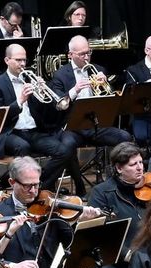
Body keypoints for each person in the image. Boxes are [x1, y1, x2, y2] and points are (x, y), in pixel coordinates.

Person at [0, 156, 101, 268]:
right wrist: (12, 266)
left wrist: (78, 220)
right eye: (28, 186)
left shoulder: (51, 208)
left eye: (36, 184)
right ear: (12, 182)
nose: (34, 191)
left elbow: (71, 241)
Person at [49, 36, 133, 192]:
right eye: (82, 54)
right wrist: (75, 90)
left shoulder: (98, 69)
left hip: (96, 124)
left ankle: (116, 182)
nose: (86, 57)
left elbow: (109, 99)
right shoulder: (60, 75)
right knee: (67, 146)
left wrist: (106, 83)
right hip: (72, 127)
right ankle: (80, 188)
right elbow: (58, 105)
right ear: (70, 55)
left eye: (88, 53)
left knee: (125, 137)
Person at [0, 44, 77, 191]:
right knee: (23, 147)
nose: (22, 64)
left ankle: (39, 184)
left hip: (33, 131)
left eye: (24, 60)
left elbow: (46, 110)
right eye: (18, 60)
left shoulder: (30, 79)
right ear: (6, 60)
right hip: (10, 132)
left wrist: (43, 89)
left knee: (63, 151)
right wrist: (19, 101)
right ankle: (23, 188)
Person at [86, 142, 149, 268]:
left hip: (150, 257)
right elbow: (100, 235)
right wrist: (127, 254)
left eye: (141, 163)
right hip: (115, 261)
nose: (140, 168)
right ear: (119, 168)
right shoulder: (102, 193)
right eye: (133, 164)